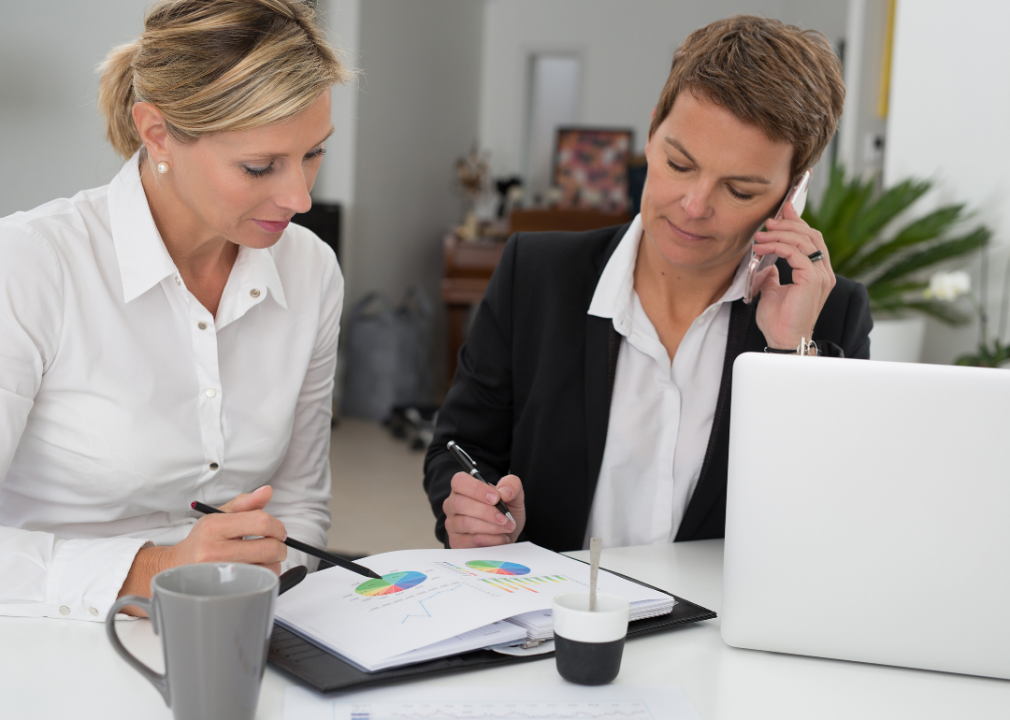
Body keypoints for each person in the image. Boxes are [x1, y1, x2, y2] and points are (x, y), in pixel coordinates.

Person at [424, 16, 873, 552]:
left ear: (791, 195)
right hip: (551, 620)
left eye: (740, 189)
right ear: (654, 127)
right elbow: (458, 446)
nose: (694, 205)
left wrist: (791, 352)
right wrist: (474, 511)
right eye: (679, 163)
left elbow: (831, 517)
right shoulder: (537, 273)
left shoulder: (831, 316)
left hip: (714, 631)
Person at [0, 0, 349, 621]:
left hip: (236, 626)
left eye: (313, 153)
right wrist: (157, 570)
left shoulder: (311, 269)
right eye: (259, 166)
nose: (300, 196)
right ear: (157, 132)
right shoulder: (30, 265)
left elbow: (299, 506)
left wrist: (265, 590)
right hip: (50, 632)